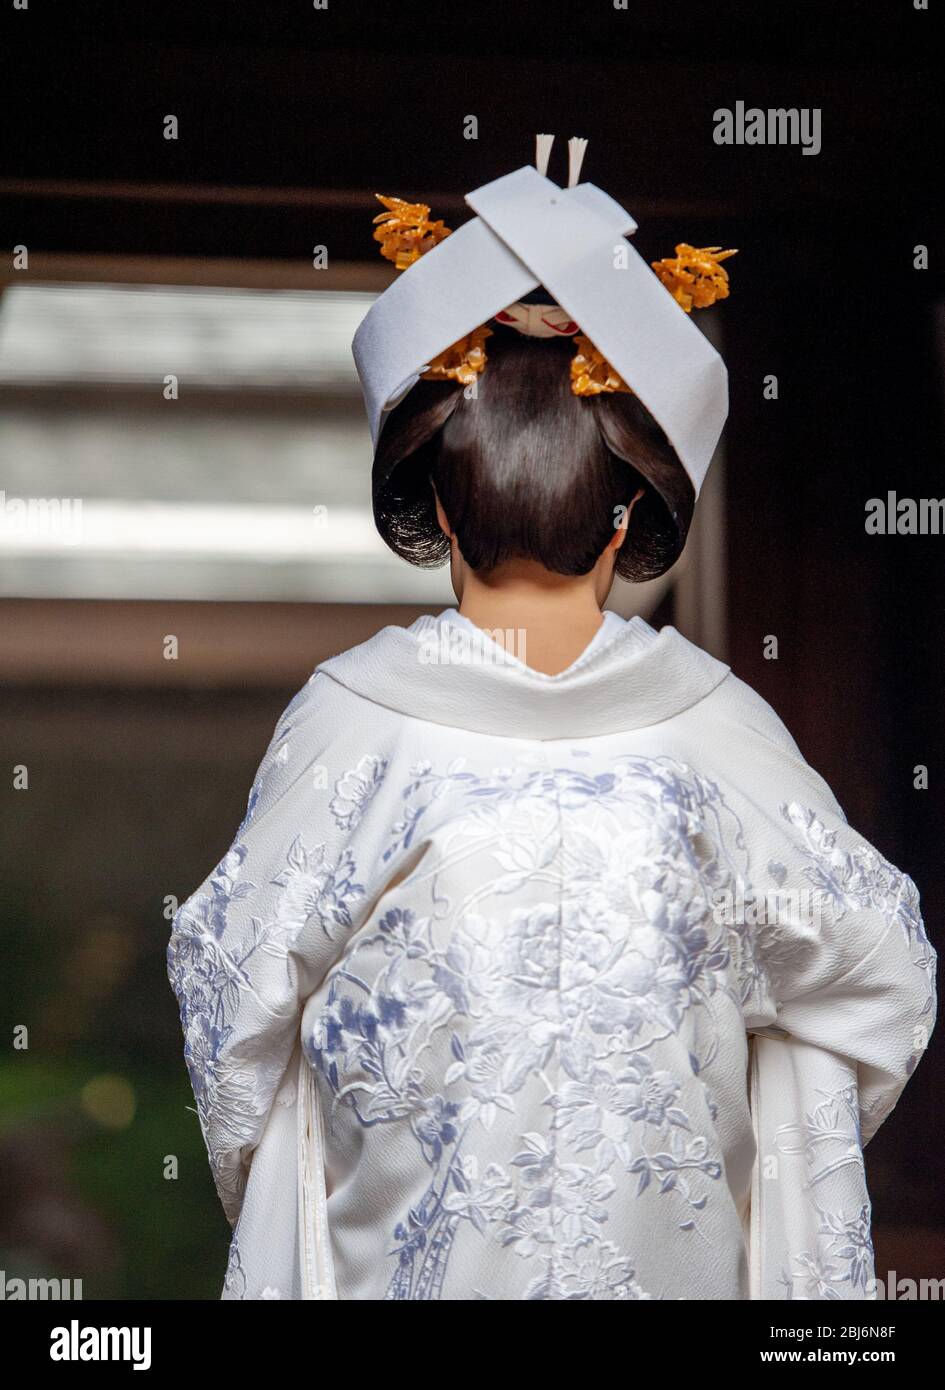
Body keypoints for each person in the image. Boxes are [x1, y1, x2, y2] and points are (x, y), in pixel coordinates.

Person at [167, 138, 936, 1301]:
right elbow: (882, 972)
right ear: (628, 517)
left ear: (436, 495)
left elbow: (232, 999)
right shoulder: (716, 735)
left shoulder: (351, 729)